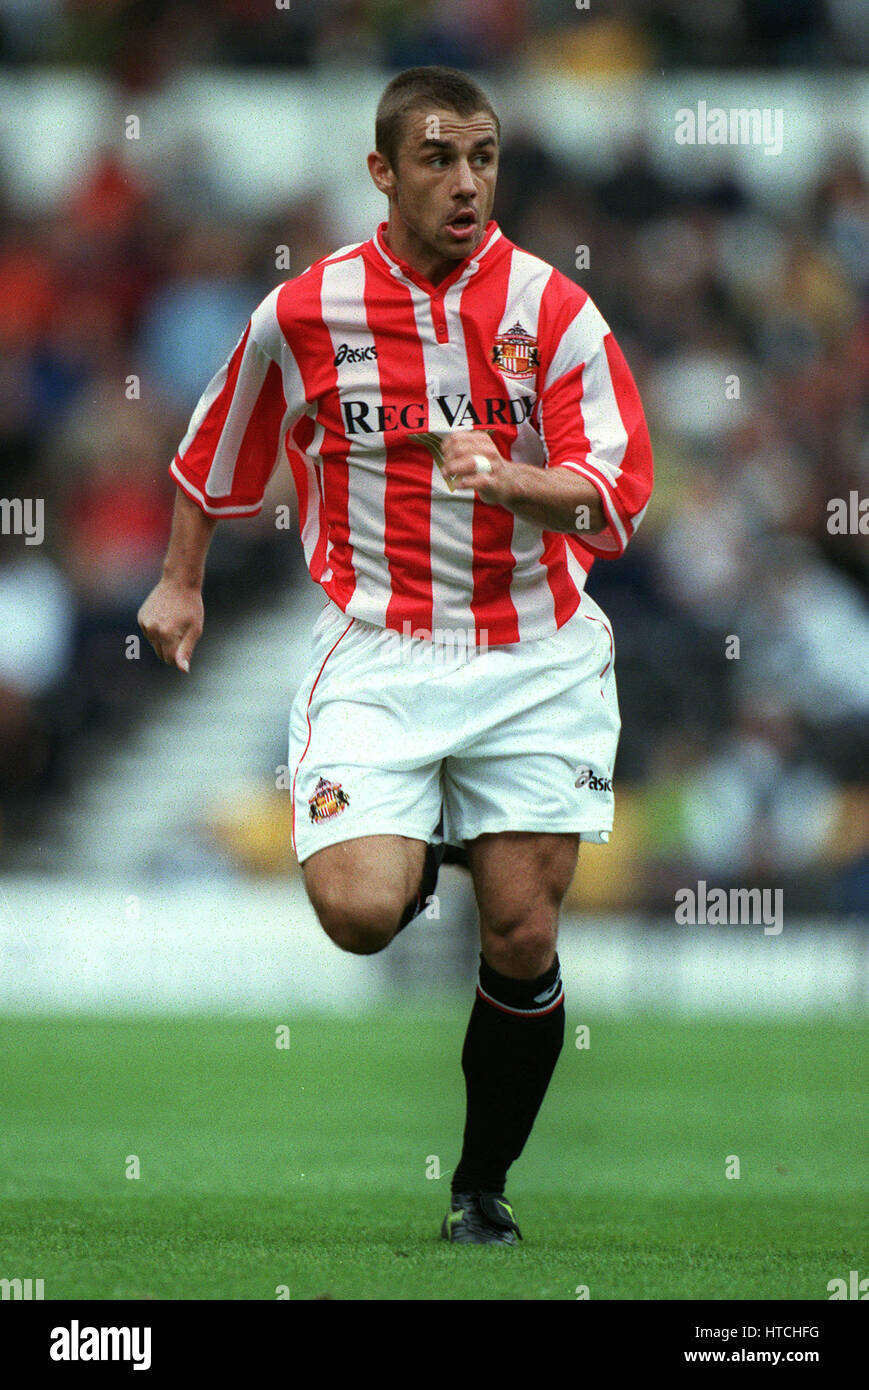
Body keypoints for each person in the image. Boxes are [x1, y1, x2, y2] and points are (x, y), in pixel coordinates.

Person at [138, 65, 653, 1245]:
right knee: (359, 911)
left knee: (523, 931)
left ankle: (480, 1189)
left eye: (481, 156)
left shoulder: (555, 312)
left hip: (535, 652)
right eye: (436, 157)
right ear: (381, 171)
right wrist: (177, 580)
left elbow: (616, 497)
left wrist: (509, 477)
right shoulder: (305, 311)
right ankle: (430, 842)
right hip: (378, 645)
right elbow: (213, 445)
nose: (464, 181)